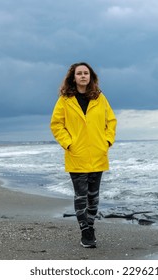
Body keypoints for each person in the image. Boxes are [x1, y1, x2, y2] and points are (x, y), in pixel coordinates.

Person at [50, 62, 117, 248]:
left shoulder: (100, 98)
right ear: (73, 77)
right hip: (76, 155)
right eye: (79, 73)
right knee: (81, 196)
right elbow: (56, 124)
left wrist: (107, 142)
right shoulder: (65, 99)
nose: (82, 76)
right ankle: (85, 231)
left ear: (91, 76)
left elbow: (111, 121)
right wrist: (69, 144)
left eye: (86, 73)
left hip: (98, 154)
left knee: (93, 196)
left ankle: (91, 226)